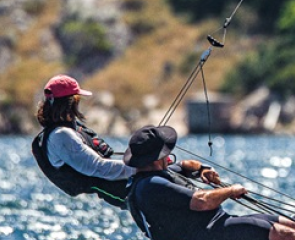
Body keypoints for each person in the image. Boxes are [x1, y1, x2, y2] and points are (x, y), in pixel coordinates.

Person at [124, 126, 295, 240]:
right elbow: (202, 201)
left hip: (221, 224)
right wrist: (230, 190)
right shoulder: (151, 185)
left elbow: (186, 165)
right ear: (157, 158)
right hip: (211, 239)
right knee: (287, 236)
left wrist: (203, 170)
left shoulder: (161, 171)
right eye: (166, 153)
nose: (170, 156)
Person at [31, 75, 212, 209]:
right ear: (71, 102)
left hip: (129, 179)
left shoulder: (69, 129)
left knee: (179, 172)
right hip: (119, 189)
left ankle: (197, 173)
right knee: (184, 195)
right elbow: (99, 168)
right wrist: (143, 167)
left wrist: (156, 162)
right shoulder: (62, 136)